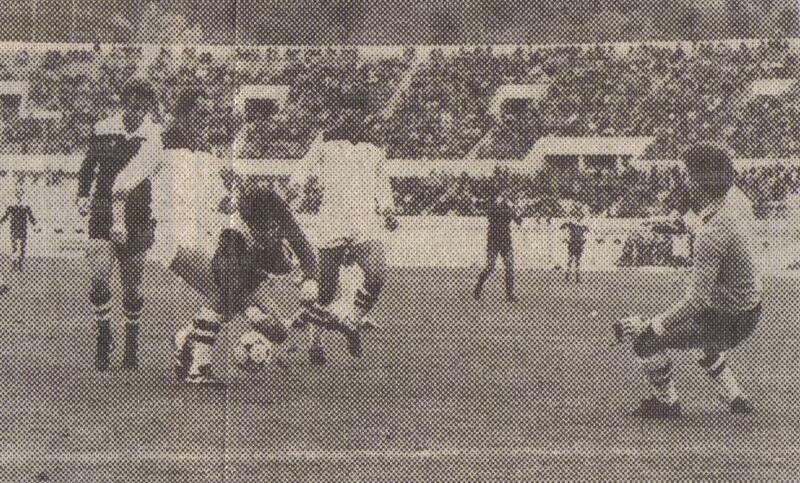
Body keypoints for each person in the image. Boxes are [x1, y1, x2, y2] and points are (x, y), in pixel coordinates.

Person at [613, 144, 761, 418]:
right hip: (748, 309)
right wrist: (684, 220)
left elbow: (696, 301)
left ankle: (667, 404)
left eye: (686, 174)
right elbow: (716, 226)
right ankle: (736, 398)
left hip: (727, 317)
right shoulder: (736, 199)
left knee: (645, 341)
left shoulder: (711, 233)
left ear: (699, 180)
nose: (683, 180)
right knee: (702, 340)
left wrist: (652, 324)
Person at [290, 98, 396, 366]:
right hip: (332, 221)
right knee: (325, 292)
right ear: (340, 113)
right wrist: (297, 185)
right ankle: (315, 343)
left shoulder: (374, 147)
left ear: (364, 115)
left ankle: (352, 320)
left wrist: (388, 210)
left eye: (356, 111)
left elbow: (382, 181)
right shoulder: (326, 141)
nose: (351, 116)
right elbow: (304, 166)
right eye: (346, 110)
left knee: (377, 275)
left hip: (365, 222)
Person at [76, 79, 163, 371]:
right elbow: (88, 165)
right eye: (131, 105)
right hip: (102, 214)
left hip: (137, 217)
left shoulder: (153, 135)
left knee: (132, 289)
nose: (135, 111)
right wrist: (82, 195)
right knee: (99, 278)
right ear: (123, 103)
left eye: (141, 107)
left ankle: (131, 345)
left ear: (148, 107)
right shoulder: (104, 128)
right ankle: (104, 338)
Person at [474, 170, 522, 302]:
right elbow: (490, 214)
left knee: (509, 267)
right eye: (503, 193)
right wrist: (508, 208)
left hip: (505, 241)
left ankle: (510, 294)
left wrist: (516, 210)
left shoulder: (507, 207)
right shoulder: (493, 206)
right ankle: (478, 288)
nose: (505, 195)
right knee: (490, 267)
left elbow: (518, 220)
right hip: (494, 241)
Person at [1, 186, 36, 272]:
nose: (19, 195)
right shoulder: (12, 207)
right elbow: (5, 217)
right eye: (17, 193)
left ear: (23, 194)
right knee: (14, 247)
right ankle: (14, 264)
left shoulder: (26, 207)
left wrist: (35, 226)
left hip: (23, 229)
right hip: (14, 229)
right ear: (15, 195)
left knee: (22, 247)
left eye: (21, 193)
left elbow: (31, 218)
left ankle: (20, 264)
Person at [560, 210, 589, 283]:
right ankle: (567, 277)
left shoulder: (581, 226)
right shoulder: (572, 225)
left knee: (577, 262)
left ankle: (577, 278)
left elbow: (587, 233)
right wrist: (565, 238)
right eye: (576, 216)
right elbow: (562, 227)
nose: (577, 217)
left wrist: (584, 240)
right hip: (573, 244)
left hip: (578, 244)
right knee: (570, 261)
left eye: (579, 216)